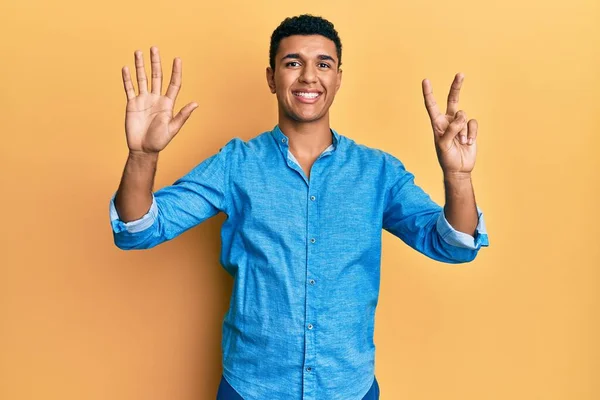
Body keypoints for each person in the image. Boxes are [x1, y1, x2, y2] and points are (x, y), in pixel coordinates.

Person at [109, 14, 489, 400]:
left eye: (323, 64)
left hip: (349, 388)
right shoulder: (236, 164)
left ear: (338, 77)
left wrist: (457, 177)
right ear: (272, 78)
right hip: (250, 388)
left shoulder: (379, 172)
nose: (309, 76)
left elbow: (453, 246)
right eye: (293, 63)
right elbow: (139, 231)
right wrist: (142, 155)